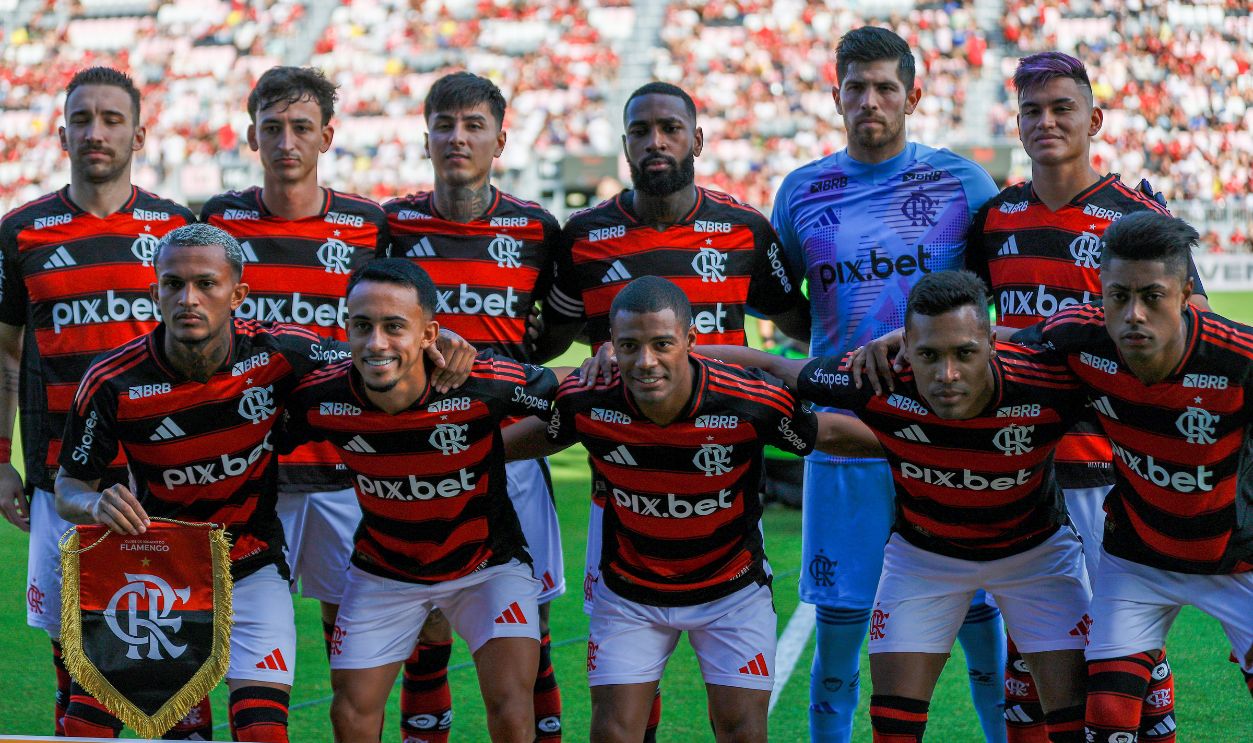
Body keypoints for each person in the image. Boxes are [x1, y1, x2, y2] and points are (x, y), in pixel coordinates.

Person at [706, 270, 1092, 742]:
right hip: (924, 560)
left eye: (965, 353)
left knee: (1076, 725)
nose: (947, 375)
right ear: (906, 346)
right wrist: (663, 356)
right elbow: (770, 366)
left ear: (991, 343)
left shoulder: (1046, 381)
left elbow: (1122, 359)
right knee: (893, 727)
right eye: (929, 354)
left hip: (1035, 556)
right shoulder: (877, 376)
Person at [535, 80, 810, 739]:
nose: (654, 141)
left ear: (697, 139)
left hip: (725, 480)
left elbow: (798, 318)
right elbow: (550, 338)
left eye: (669, 127)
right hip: (622, 487)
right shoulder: (585, 235)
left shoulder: (743, 230)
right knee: (627, 684)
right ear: (624, 142)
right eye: (640, 130)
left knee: (736, 707)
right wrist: (599, 358)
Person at [504, 276, 879, 742]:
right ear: (610, 348)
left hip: (732, 593)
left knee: (742, 731)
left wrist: (921, 448)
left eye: (662, 343)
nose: (646, 361)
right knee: (612, 733)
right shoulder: (587, 399)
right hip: (630, 594)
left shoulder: (748, 401)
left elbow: (829, 434)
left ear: (690, 342)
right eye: (629, 346)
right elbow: (536, 436)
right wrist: (441, 455)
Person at [962, 51, 1211, 743]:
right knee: (1029, 653)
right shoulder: (994, 218)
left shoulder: (1132, 216)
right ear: (1015, 124)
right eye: (1031, 111)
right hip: (1017, 467)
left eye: (1060, 107)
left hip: (1108, 469)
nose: (1046, 122)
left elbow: (1193, 323)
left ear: (1092, 118)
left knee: (1126, 650)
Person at [768, 26, 1004, 742]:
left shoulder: (963, 184)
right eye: (855, 87)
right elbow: (787, 307)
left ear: (913, 95)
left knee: (980, 630)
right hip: (847, 441)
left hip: (949, 437)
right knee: (839, 644)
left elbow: (992, 303)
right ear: (835, 93)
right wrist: (840, 362)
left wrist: (914, 345)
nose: (869, 100)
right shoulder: (801, 191)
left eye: (884, 87)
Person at [51, 223, 336, 741]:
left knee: (263, 732)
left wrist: (443, 345)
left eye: (207, 284)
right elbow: (68, 486)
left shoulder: (281, 354)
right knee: (86, 728)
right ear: (154, 292)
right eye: (173, 284)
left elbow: (377, 360)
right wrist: (93, 505)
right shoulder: (112, 379)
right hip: (154, 571)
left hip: (250, 565)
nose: (189, 298)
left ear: (237, 294)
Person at [278, 258, 565, 743]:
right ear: (344, 326)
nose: (376, 344)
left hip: (487, 566)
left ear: (430, 332)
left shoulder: (482, 381)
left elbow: (575, 397)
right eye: (362, 326)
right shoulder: (319, 394)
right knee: (350, 714)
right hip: (384, 570)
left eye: (395, 327)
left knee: (512, 708)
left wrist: (494, 450)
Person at [0, 66, 205, 737]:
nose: (96, 131)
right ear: (61, 133)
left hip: (163, 485)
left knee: (177, 672)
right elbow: (5, 354)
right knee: (76, 670)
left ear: (140, 133)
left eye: (112, 118)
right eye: (82, 118)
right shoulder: (22, 231)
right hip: (65, 482)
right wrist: (3, 461)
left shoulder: (177, 228)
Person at [1010, 212, 1253, 738]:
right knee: (1108, 721)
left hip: (1237, 558)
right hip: (1137, 557)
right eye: (1118, 296)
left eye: (1152, 296)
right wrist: (899, 343)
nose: (1133, 315)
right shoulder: (1079, 335)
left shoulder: (1240, 360)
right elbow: (993, 350)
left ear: (1187, 293)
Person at [385, 71, 565, 743]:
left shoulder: (535, 228)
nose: (456, 137)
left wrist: (506, 370)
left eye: (472, 125)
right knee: (425, 624)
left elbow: (556, 328)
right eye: (444, 124)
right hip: (416, 458)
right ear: (425, 134)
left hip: (509, 450)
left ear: (500, 139)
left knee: (529, 629)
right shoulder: (392, 226)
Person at [199, 65, 388, 697]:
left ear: (326, 138)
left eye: (301, 128)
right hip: (245, 473)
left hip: (340, 468)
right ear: (251, 137)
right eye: (272, 128)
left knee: (354, 658)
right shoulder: (220, 221)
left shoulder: (367, 225)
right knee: (234, 645)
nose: (286, 143)